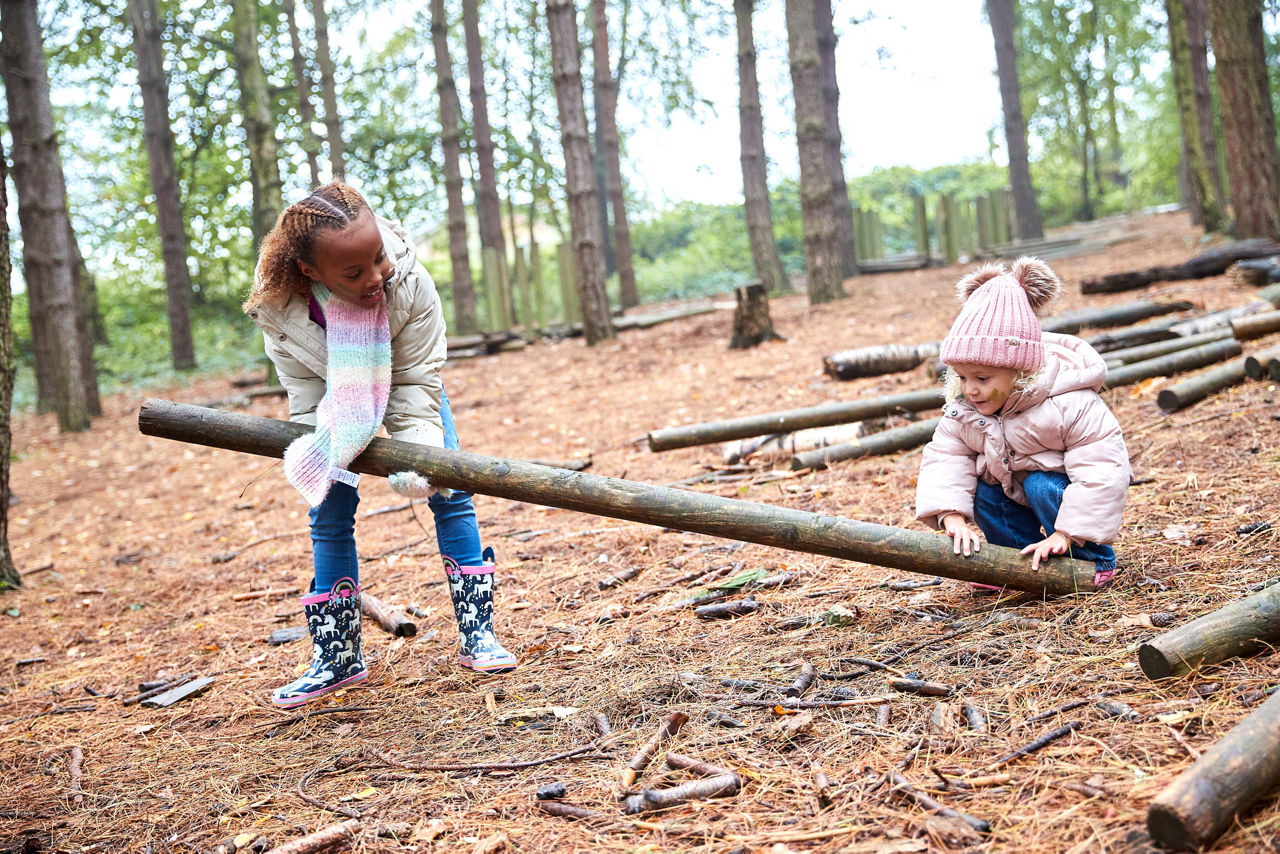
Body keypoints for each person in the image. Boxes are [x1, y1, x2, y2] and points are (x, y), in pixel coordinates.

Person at [244, 181, 517, 708]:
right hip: (333, 401)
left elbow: (416, 378)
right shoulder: (279, 307)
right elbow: (303, 388)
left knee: (451, 490)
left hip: (411, 386)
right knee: (328, 510)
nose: (375, 276)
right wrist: (321, 448)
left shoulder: (408, 280)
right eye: (354, 273)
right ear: (309, 271)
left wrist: (420, 455)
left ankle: (478, 633)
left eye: (377, 259)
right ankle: (338, 656)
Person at [915, 257, 1129, 588]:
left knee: (1040, 485)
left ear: (1020, 371)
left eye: (982, 378)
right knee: (983, 492)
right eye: (962, 377)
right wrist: (951, 514)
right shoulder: (966, 409)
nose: (970, 389)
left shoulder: (1067, 403)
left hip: (1061, 498)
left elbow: (1102, 470)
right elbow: (946, 457)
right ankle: (1013, 560)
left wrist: (1067, 533)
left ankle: (1091, 560)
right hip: (1010, 489)